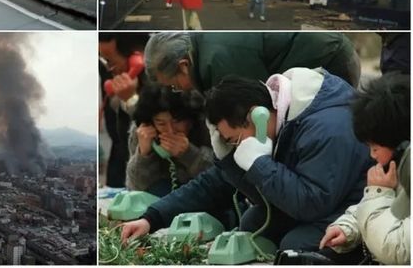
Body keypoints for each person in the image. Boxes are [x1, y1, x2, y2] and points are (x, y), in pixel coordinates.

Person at [120, 69, 372, 252]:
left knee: (297, 247)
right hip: (311, 201)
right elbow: (212, 184)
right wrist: (151, 218)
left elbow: (311, 203)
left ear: (256, 117)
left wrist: (259, 162)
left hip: (349, 207)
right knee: (252, 223)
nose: (235, 146)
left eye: (233, 139)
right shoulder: (278, 122)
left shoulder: (327, 128)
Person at [319, 72, 410, 265]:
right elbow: (388, 207)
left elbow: (399, 251)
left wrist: (378, 192)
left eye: (375, 147)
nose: (372, 155)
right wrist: (349, 228)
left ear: (402, 144)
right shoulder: (398, 166)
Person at [143, 32, 362, 93]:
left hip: (329, 60)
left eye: (174, 85)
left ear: (183, 65)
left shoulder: (220, 62)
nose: (178, 90)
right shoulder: (206, 49)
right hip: (329, 50)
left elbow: (259, 111)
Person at [126, 85, 213, 196]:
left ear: (190, 119)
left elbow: (220, 176)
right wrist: (144, 154)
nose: (170, 130)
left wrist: (190, 154)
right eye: (161, 124)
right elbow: (136, 188)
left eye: (177, 122)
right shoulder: (142, 132)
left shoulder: (206, 126)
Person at [99, 33, 150, 188]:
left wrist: (131, 100)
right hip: (119, 161)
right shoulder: (116, 80)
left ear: (136, 59)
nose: (109, 69)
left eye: (110, 61)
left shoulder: (155, 84)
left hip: (143, 173)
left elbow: (149, 130)